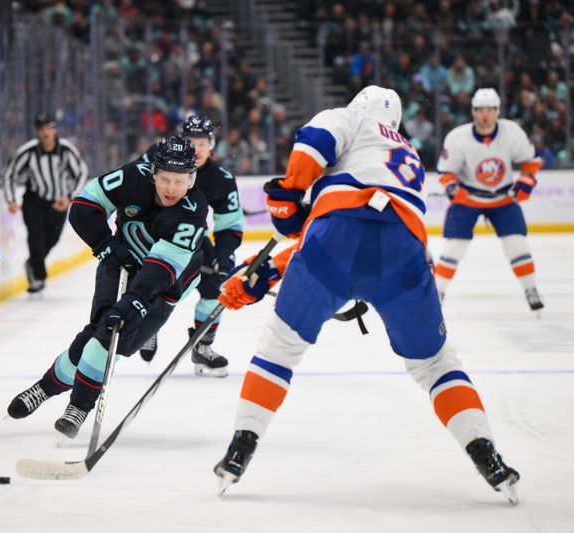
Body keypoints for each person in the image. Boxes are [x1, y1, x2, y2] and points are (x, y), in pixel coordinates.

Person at [212, 86, 520, 504]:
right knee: (435, 364)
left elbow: (319, 168)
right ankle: (485, 451)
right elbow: (369, 217)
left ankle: (240, 447)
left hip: (333, 244)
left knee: (280, 347)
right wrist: (268, 268)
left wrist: (286, 197)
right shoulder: (407, 154)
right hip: (406, 253)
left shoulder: (352, 118)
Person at [6, 136, 209, 438]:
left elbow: (161, 269)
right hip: (119, 262)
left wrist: (134, 301)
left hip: (161, 287)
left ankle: (56, 393)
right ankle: (67, 400)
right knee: (101, 332)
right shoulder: (131, 176)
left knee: (109, 334)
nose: (170, 188)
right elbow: (84, 207)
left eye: (179, 181)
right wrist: (106, 245)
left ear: (191, 180)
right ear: (153, 172)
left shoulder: (193, 212)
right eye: (165, 179)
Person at [138, 116, 243, 377]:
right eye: (190, 141)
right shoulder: (158, 158)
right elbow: (133, 189)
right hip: (154, 238)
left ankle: (202, 346)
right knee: (158, 286)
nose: (196, 148)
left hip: (193, 239)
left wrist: (225, 255)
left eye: (202, 142)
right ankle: (147, 328)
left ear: (212, 145)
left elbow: (229, 224)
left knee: (215, 288)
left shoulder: (221, 179)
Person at [434, 88, 543, 312]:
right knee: (454, 248)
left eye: (490, 109)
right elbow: (446, 171)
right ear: (473, 112)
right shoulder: (458, 137)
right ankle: (437, 292)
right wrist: (454, 189)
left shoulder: (512, 132)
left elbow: (530, 161)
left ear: (497, 111)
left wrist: (525, 182)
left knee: (516, 244)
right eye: (480, 110)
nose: (485, 114)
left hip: (503, 197)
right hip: (469, 198)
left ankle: (530, 289)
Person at [3, 113, 89, 293]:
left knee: (53, 238)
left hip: (59, 201)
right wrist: (11, 199)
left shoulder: (66, 150)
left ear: (55, 129)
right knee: (35, 234)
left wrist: (69, 197)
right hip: (34, 200)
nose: (45, 132)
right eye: (41, 128)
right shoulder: (29, 151)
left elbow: (82, 172)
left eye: (49, 127)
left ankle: (33, 263)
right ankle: (38, 278)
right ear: (37, 131)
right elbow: (10, 173)